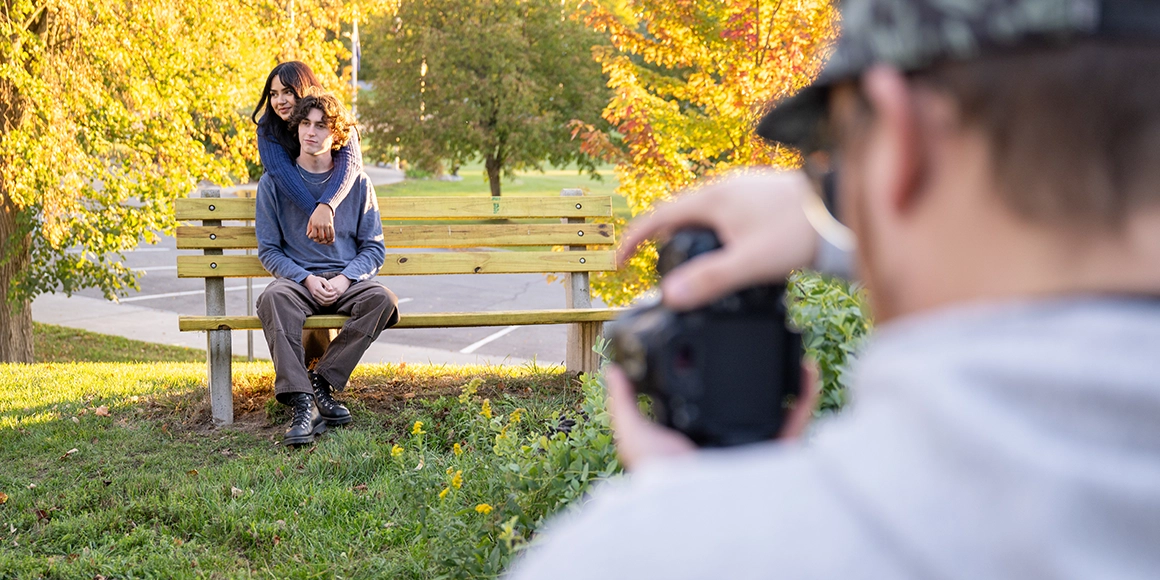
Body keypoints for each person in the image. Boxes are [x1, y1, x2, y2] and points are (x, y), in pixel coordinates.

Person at [509, 0, 1160, 578]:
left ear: (903, 137)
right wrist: (836, 226)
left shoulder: (634, 559)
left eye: (834, 155)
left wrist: (701, 519)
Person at [255, 92, 399, 446]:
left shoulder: (358, 183)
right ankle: (303, 402)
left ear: (337, 136)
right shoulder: (273, 183)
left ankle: (321, 380)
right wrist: (305, 277)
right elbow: (269, 251)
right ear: (296, 129)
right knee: (273, 298)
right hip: (298, 281)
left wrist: (345, 277)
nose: (311, 132)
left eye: (321, 126)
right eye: (305, 124)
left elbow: (374, 247)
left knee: (383, 299)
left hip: (346, 280)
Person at [251, 61, 364, 245]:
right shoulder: (269, 127)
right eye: (273, 94)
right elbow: (281, 172)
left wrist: (327, 205)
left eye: (288, 92)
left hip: (337, 224)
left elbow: (350, 163)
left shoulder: (334, 116)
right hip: (292, 225)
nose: (280, 101)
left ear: (304, 88)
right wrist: (316, 212)